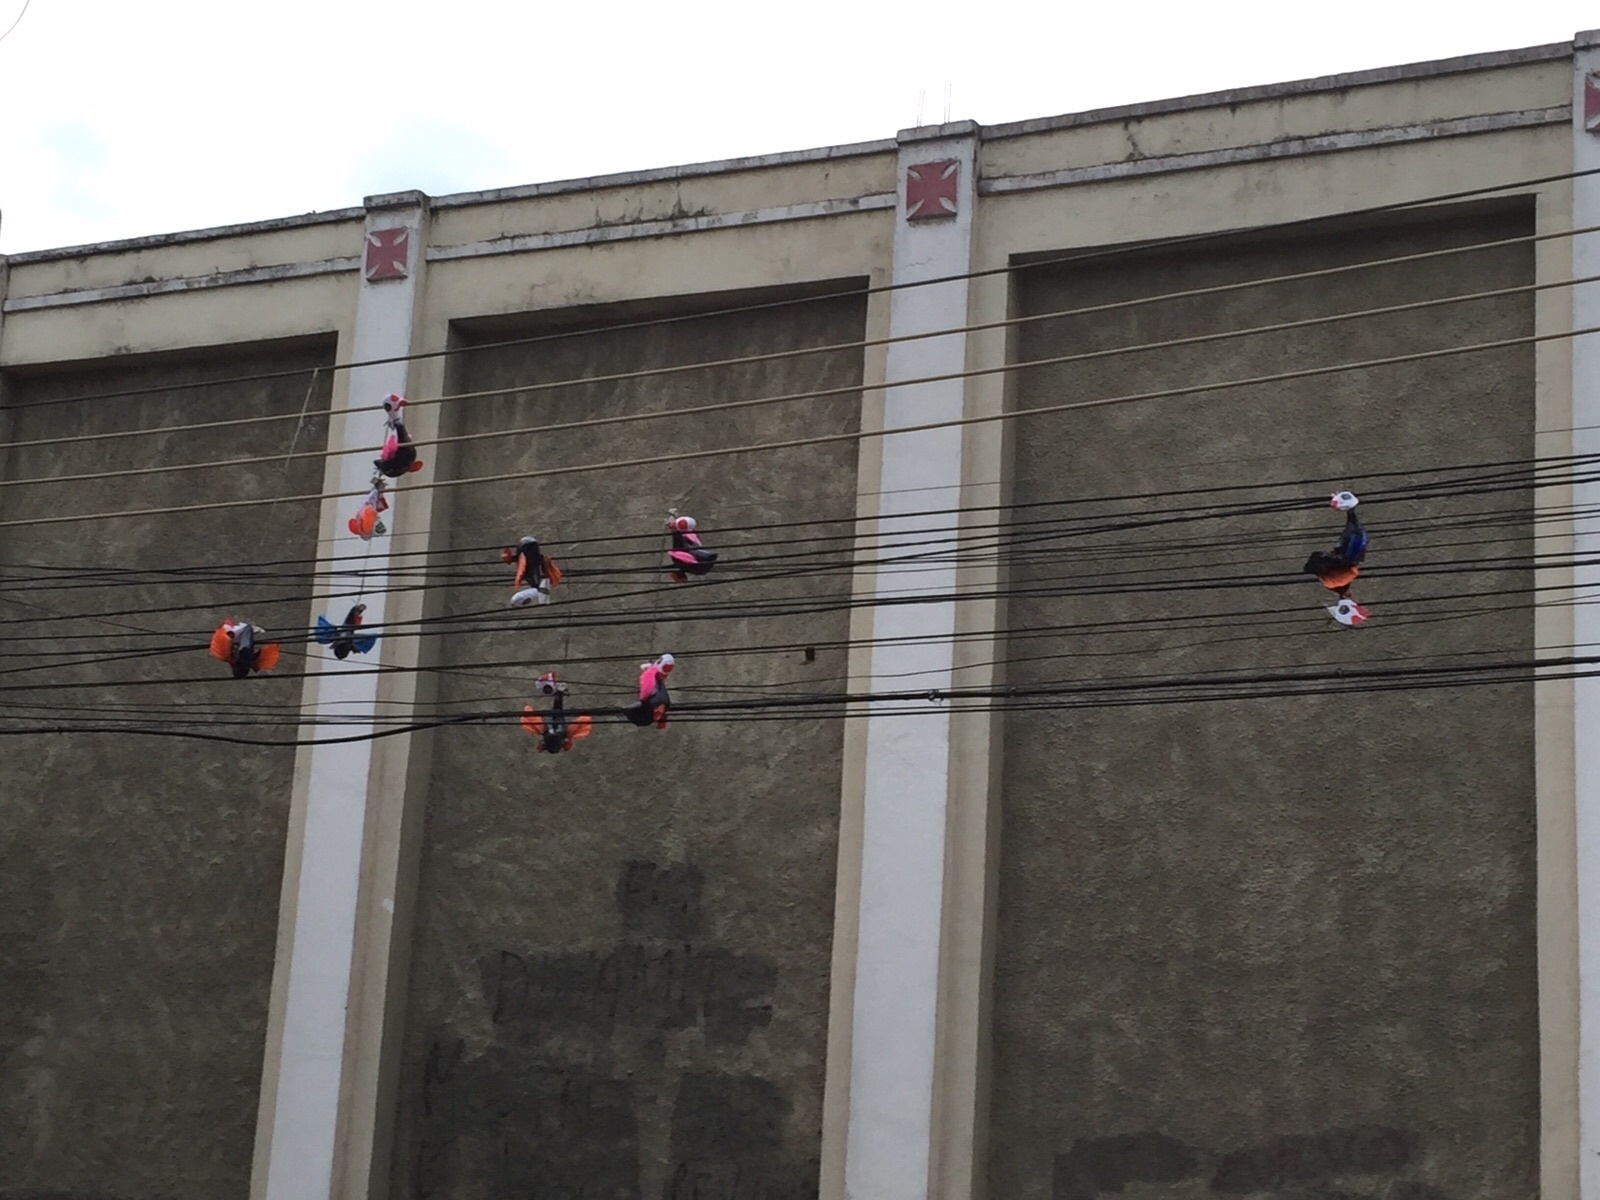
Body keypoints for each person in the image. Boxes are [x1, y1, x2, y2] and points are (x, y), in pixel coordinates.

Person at [519, 672, 592, 753]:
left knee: (557, 712)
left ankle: (558, 693)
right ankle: (558, 693)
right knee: (557, 712)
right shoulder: (561, 734)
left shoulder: (546, 731)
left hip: (554, 725)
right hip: (557, 725)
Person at [501, 535, 562, 607]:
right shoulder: (531, 578)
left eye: (525, 602)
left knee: (537, 586)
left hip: (529, 546)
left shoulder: (534, 581)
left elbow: (539, 590)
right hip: (527, 545)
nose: (528, 602)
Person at [374, 394, 424, 478]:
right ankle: (394, 411)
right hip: (397, 462)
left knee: (402, 433)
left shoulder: (407, 457)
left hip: (396, 463)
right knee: (402, 433)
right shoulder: (409, 456)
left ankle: (394, 411)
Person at [209, 619, 280, 678]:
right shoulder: (226, 655)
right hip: (243, 646)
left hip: (239, 644)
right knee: (246, 635)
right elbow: (247, 630)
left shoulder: (224, 655)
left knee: (245, 633)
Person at [623, 654, 675, 728]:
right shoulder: (663, 700)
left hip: (643, 716)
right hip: (645, 712)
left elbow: (644, 697)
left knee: (625, 709)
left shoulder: (661, 700)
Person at [314, 603, 378, 659]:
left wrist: (357, 610)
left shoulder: (346, 636)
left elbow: (349, 622)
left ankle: (357, 611)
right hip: (346, 632)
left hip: (346, 631)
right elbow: (349, 622)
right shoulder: (347, 637)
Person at [666, 514, 717, 583]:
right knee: (679, 551)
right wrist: (675, 531)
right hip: (700, 557)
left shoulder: (684, 566)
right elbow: (678, 545)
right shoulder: (679, 561)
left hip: (702, 558)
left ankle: (677, 529)